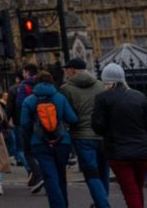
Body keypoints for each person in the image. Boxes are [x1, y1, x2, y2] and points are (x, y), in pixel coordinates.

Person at [92, 63, 147, 208]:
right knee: (137, 189)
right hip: (142, 152)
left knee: (130, 191)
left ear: (105, 80)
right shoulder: (139, 96)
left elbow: (98, 127)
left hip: (118, 153)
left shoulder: (102, 98)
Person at [21, 71, 78, 208]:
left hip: (39, 143)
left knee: (50, 177)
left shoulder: (29, 101)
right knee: (61, 176)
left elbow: (24, 124)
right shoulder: (60, 98)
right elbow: (72, 119)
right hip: (62, 141)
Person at [59, 58, 109, 208]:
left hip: (82, 136)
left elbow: (67, 115)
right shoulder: (101, 85)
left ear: (73, 70)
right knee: (103, 171)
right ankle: (102, 200)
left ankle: (103, 204)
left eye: (67, 70)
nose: (66, 73)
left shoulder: (66, 89)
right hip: (102, 135)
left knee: (91, 173)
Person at [15, 64, 44, 193]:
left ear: (27, 72)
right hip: (43, 120)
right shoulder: (41, 83)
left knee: (27, 151)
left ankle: (38, 174)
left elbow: (20, 103)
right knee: (42, 150)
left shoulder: (23, 86)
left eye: (24, 71)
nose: (23, 74)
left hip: (29, 122)